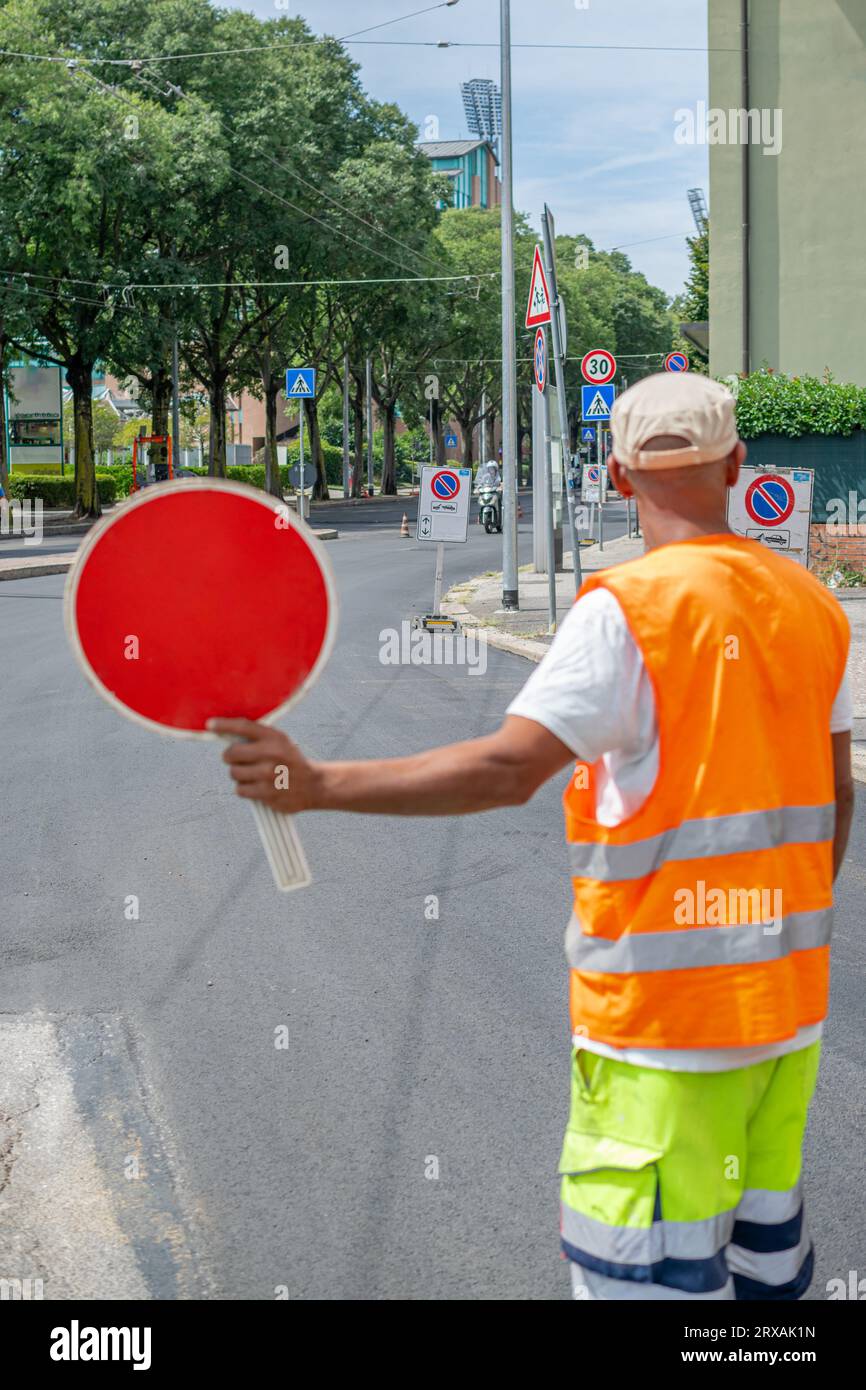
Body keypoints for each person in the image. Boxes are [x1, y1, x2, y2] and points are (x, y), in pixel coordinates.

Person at [212, 373, 854, 1302]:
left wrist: (316, 784)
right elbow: (834, 795)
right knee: (762, 1292)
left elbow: (509, 770)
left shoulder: (625, 612)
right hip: (786, 1023)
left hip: (659, 1045)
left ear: (622, 479)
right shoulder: (813, 606)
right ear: (739, 465)